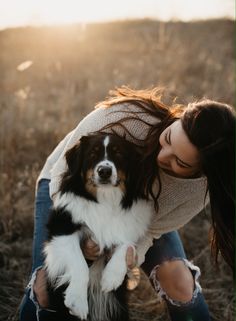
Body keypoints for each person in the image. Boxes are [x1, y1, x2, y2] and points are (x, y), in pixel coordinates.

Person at [19, 86, 235, 321]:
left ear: (203, 170)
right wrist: (84, 240)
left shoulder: (198, 191)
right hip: (67, 191)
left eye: (180, 163)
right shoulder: (127, 116)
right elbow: (64, 173)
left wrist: (125, 256)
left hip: (137, 213)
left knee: (180, 281)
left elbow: (150, 230)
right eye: (169, 138)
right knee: (45, 287)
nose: (163, 156)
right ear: (179, 117)